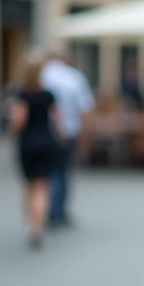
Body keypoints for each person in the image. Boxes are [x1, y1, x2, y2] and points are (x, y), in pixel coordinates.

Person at [41, 44, 95, 228]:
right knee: (62, 172)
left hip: (43, 132)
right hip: (69, 131)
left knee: (46, 173)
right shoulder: (74, 77)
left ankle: (47, 209)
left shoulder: (40, 76)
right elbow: (85, 109)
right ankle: (58, 211)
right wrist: (85, 137)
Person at [12, 57, 60, 248]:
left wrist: (13, 134)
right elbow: (58, 119)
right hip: (47, 141)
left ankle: (33, 223)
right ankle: (38, 225)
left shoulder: (22, 95)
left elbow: (19, 121)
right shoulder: (48, 95)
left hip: (28, 143)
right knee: (43, 186)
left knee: (30, 184)